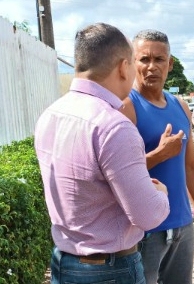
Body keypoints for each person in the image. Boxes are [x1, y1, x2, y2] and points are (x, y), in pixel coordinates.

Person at [34, 23, 170, 284]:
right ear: (122, 67)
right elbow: (148, 215)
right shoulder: (114, 126)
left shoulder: (50, 115)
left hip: (64, 263)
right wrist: (160, 194)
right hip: (111, 269)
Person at [121, 29, 194, 284]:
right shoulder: (126, 107)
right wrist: (159, 155)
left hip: (182, 224)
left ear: (169, 64)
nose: (152, 67)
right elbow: (117, 174)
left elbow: (191, 167)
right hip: (145, 230)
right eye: (144, 59)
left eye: (159, 59)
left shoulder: (180, 106)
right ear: (132, 62)